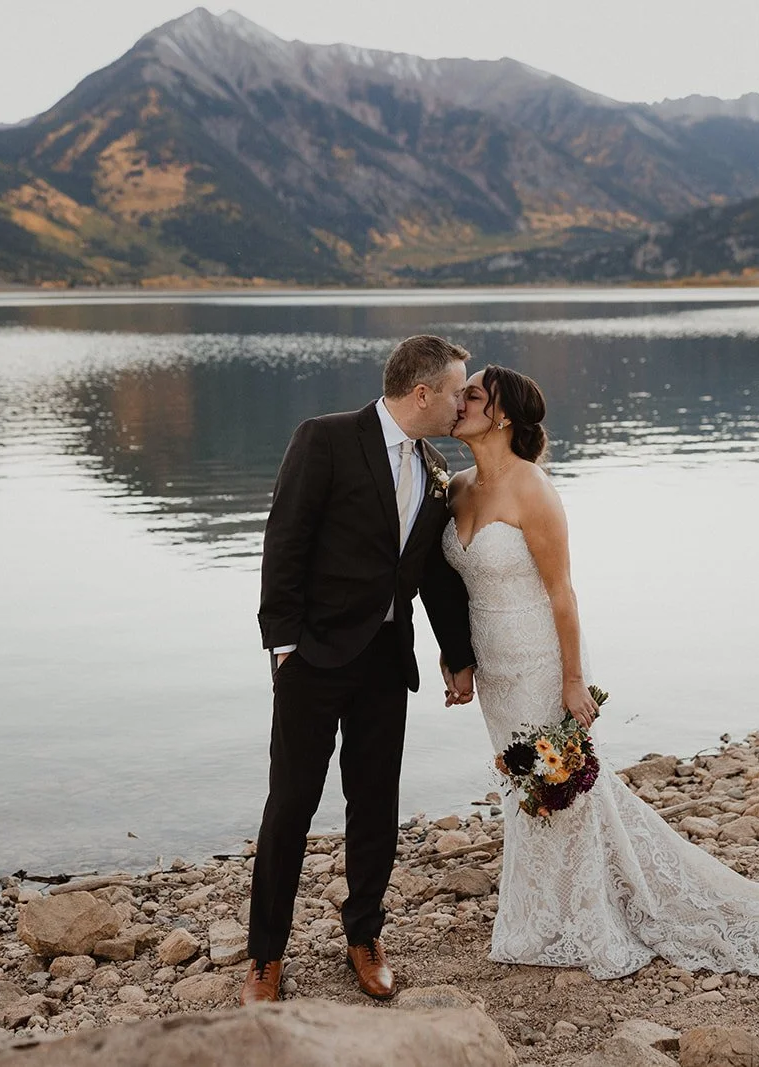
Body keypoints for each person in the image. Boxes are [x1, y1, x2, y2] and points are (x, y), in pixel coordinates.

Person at [443, 364, 759, 977]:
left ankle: (585, 917)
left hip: (542, 660)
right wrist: (452, 656)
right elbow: (448, 588)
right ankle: (540, 913)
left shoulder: (532, 489)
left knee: (558, 787)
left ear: (503, 415)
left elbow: (563, 595)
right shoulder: (457, 487)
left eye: (472, 396)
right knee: (523, 786)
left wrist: (572, 681)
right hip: (494, 667)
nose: (457, 404)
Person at [242, 335, 478, 1004]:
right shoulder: (325, 439)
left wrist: (457, 657)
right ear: (423, 392)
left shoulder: (435, 468)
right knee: (290, 805)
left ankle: (365, 933)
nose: (463, 402)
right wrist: (283, 646)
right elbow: (283, 541)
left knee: (376, 804)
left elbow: (431, 573)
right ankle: (265, 955)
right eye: (457, 390)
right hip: (312, 659)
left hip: (384, 662)